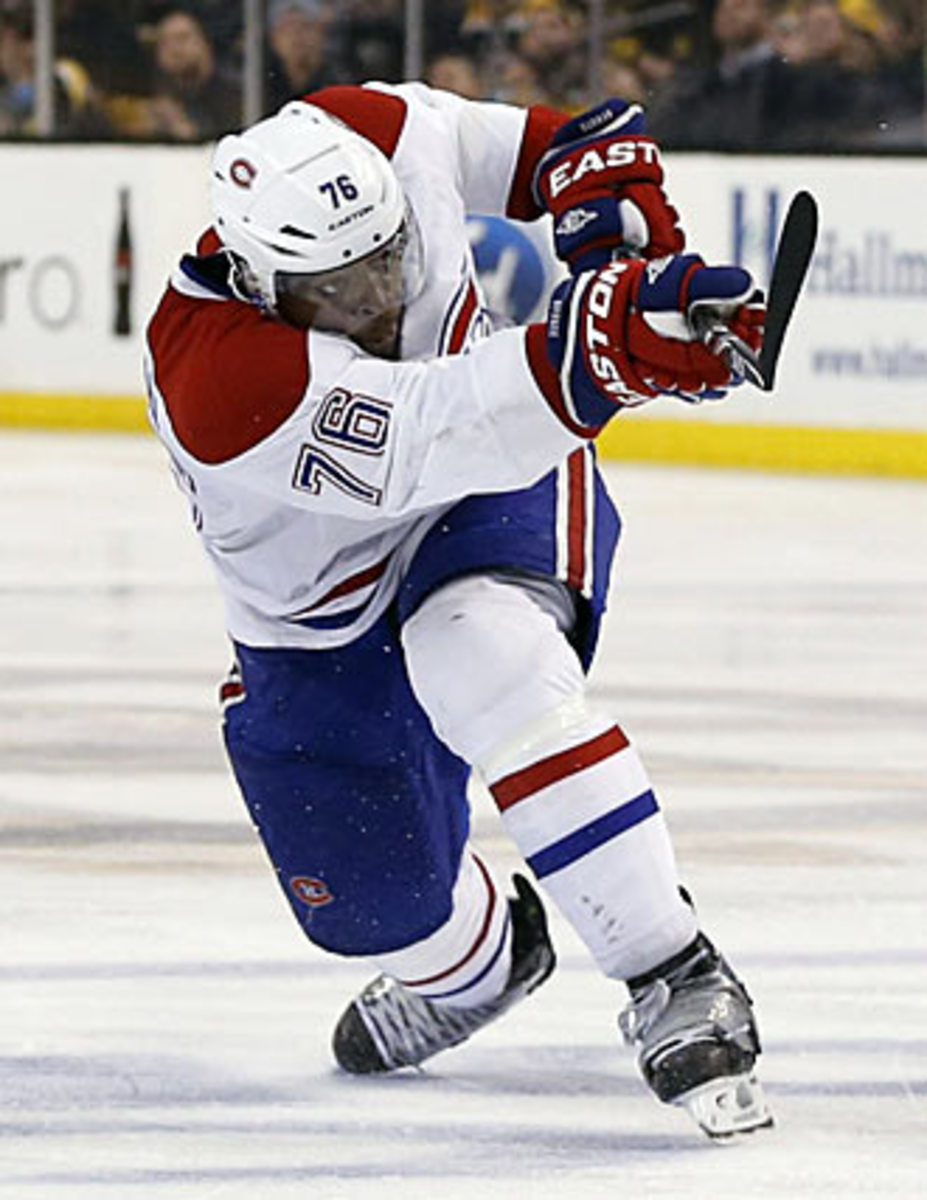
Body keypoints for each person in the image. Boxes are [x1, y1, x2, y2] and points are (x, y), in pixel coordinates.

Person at [144, 80, 771, 1140]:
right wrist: (611, 346)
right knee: (373, 914)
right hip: (321, 607)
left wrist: (599, 201)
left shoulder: (381, 134)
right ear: (259, 279)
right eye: (341, 293)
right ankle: (484, 963)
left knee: (480, 652)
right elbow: (439, 425)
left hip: (490, 500)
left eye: (389, 260)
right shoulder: (221, 379)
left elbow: (538, 149)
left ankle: (671, 968)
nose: (381, 302)